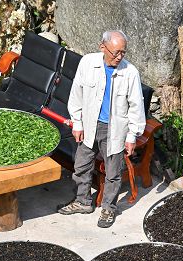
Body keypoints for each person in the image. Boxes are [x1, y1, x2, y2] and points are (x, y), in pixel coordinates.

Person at [60, 29, 146, 228]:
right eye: (115, 52)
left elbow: (136, 106)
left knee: (113, 172)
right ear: (102, 47)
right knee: (82, 165)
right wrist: (77, 122)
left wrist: (132, 135)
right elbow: (77, 94)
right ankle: (82, 201)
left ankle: (108, 208)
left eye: (123, 52)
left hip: (114, 129)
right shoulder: (88, 63)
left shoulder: (130, 72)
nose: (119, 57)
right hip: (89, 124)